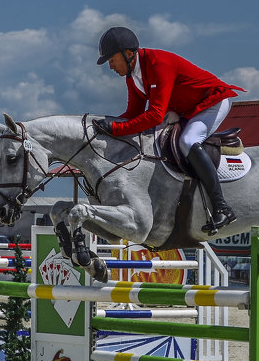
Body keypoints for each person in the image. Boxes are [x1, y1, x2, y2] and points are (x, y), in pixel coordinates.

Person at [92, 26, 246, 234]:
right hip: (185, 108)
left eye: (112, 60)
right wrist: (105, 126)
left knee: (188, 141)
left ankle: (222, 207)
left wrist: (117, 129)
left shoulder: (158, 64)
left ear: (128, 54)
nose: (111, 66)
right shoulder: (132, 75)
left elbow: (154, 115)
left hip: (212, 102)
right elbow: (133, 113)